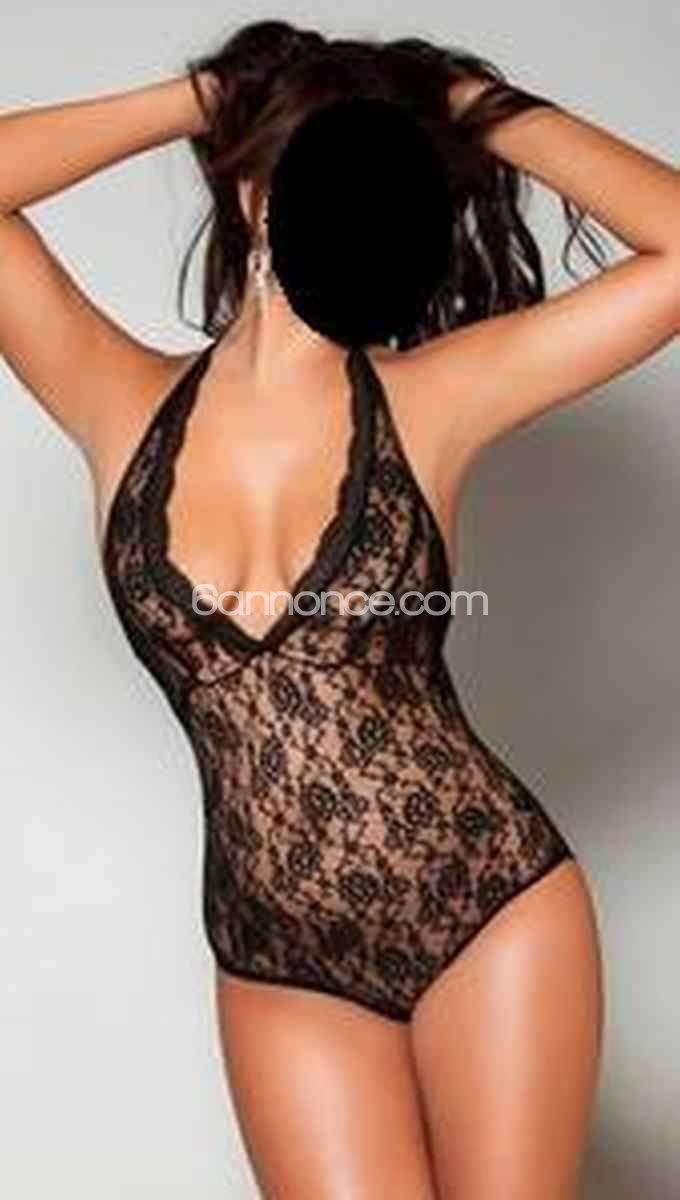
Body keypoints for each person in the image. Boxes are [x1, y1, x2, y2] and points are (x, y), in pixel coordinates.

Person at [2, 17, 678, 1200]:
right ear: (254, 192)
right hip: (279, 962)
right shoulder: (117, 398)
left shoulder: (434, 398)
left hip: (483, 907)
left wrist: (464, 103)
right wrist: (203, 99)